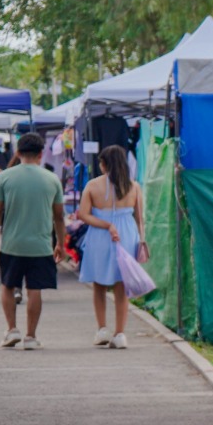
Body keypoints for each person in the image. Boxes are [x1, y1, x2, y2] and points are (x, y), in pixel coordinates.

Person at [0, 132, 64, 350]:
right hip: (41, 246)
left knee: (8, 286)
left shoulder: (4, 177)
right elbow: (59, 216)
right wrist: (60, 243)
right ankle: (30, 336)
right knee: (34, 289)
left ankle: (12, 329)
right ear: (41, 154)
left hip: (12, 244)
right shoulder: (52, 179)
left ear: (18, 152)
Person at [75, 145, 144, 349]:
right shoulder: (134, 187)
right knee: (122, 285)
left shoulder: (93, 186)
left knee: (99, 284)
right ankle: (120, 333)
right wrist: (141, 240)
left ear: (104, 164)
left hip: (100, 235)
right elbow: (140, 219)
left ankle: (102, 329)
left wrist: (106, 225)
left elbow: (83, 215)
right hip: (127, 235)